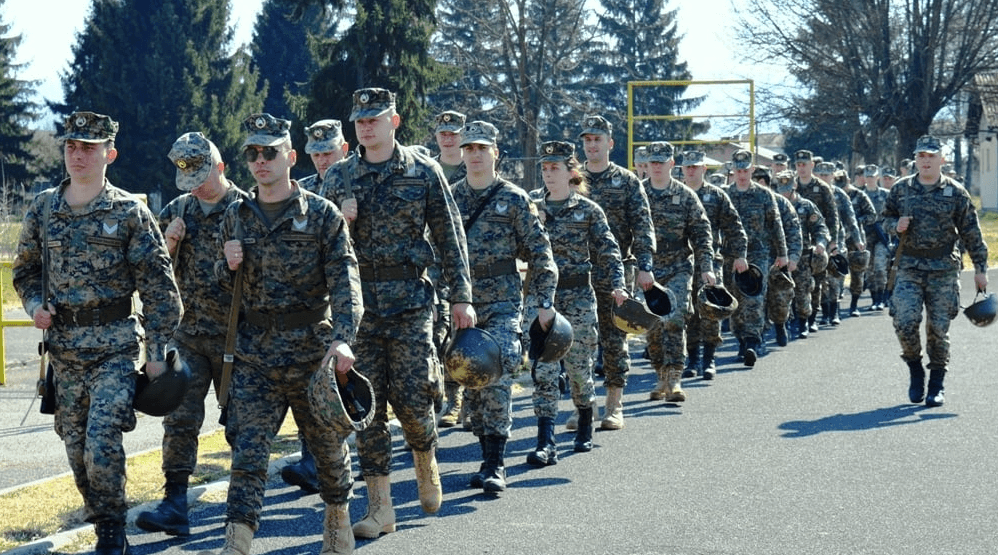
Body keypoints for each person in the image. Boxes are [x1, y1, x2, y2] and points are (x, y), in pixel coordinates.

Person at [13, 111, 183, 555]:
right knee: (76, 453)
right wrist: (35, 306)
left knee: (102, 443)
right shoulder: (43, 208)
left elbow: (161, 289)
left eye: (89, 147)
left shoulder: (130, 212)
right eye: (71, 145)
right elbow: (25, 272)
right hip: (65, 352)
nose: (78, 154)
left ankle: (111, 531)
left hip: (115, 349)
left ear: (110, 153)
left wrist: (159, 349)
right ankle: (102, 517)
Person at [319, 88, 475, 538]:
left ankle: (425, 459)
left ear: (395, 121)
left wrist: (462, 296)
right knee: (365, 409)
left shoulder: (422, 171)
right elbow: (323, 248)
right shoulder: (339, 178)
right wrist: (341, 220)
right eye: (360, 120)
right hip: (359, 310)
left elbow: (450, 237)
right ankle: (381, 507)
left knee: (412, 399)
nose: (367, 126)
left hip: (410, 302)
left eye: (375, 118)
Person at [135, 132, 249, 537]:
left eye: (203, 175)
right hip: (188, 337)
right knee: (180, 418)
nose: (197, 186)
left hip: (238, 337)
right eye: (188, 178)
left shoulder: (246, 209)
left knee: (242, 423)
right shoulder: (176, 210)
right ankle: (175, 503)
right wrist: (169, 242)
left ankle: (242, 508)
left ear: (221, 166)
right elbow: (149, 274)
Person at [450, 120, 557, 490]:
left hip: (502, 303)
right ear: (462, 154)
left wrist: (543, 303)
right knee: (471, 383)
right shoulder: (450, 198)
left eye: (482, 148)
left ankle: (496, 464)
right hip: (462, 304)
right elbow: (436, 251)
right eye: (469, 149)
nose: (475, 155)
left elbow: (541, 254)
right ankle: (485, 456)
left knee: (495, 371)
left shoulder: (513, 198)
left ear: (495, 152)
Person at [528, 140, 626, 455]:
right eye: (544, 168)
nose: (548, 174)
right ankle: (545, 442)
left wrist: (618, 284)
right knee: (543, 370)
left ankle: (585, 422)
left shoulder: (587, 210)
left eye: (555, 168)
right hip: (542, 297)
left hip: (578, 297)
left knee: (578, 367)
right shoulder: (530, 206)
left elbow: (608, 249)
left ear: (572, 172)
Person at [881, 135, 988, 407]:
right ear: (915, 159)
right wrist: (896, 226)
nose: (925, 161)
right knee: (904, 321)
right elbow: (884, 219)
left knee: (938, 329)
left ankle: (937, 383)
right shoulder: (901, 189)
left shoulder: (955, 192)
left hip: (943, 269)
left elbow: (970, 232)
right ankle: (916, 369)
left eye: (931, 156)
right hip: (909, 267)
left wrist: (980, 268)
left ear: (942, 159)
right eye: (921, 156)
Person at [283, 118, 351, 492]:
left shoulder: (358, 186)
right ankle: (314, 461)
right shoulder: (301, 193)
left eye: (328, 152)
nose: (323, 160)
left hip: (359, 299)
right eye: (316, 153)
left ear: (343, 148)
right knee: (314, 384)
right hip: (312, 307)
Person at [578, 115, 655, 429]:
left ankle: (614, 405)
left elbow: (642, 225)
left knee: (614, 338)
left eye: (598, 139)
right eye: (587, 140)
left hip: (616, 270)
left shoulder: (626, 180)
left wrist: (645, 265)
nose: (592, 145)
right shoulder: (572, 178)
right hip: (577, 272)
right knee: (580, 342)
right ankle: (583, 406)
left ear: (610, 143)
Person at [642, 142, 715, 401]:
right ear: (647, 165)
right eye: (653, 162)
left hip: (679, 267)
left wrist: (707, 267)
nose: (658, 166)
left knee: (674, 320)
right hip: (647, 268)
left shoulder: (685, 196)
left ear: (672, 164)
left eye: (662, 162)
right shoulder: (638, 194)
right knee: (652, 326)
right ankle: (660, 375)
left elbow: (702, 234)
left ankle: (674, 378)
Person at [681, 149, 747, 379]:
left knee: (711, 310)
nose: (691, 171)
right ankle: (692, 360)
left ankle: (709, 359)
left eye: (695, 167)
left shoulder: (717, 196)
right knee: (688, 312)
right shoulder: (675, 194)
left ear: (704, 169)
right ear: (682, 169)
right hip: (681, 263)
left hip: (711, 262)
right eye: (687, 167)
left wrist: (740, 254)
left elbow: (735, 227)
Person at [724, 149, 788, 366]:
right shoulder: (726, 194)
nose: (742, 174)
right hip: (731, 255)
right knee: (734, 301)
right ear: (733, 170)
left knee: (754, 298)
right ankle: (741, 339)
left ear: (751, 169)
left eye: (745, 170)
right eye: (738, 170)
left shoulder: (763, 194)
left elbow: (775, 225)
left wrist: (782, 253)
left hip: (758, 254)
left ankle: (753, 341)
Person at [431, 110, 468, 429]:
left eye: (454, 132)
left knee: (464, 332)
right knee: (440, 334)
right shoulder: (427, 170)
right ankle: (448, 396)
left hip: (467, 263)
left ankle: (465, 398)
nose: (448, 137)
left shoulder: (475, 166)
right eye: (443, 132)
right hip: (434, 264)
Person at [773, 170, 830, 340]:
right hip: (779, 256)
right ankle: (784, 324)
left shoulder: (806, 206)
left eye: (787, 188)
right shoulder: (773, 204)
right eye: (781, 188)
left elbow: (820, 227)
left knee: (803, 291)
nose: (784, 191)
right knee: (780, 293)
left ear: (795, 186)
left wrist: (821, 242)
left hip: (803, 256)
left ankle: (803, 321)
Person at [753, 166, 802, 348]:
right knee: (757, 301)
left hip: (779, 261)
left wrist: (793, 257)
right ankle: (758, 338)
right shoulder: (750, 201)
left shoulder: (781, 203)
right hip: (756, 259)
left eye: (762, 182)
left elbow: (794, 233)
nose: (759, 186)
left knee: (780, 301)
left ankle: (781, 325)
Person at [841, 165, 877, 316]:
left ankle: (854, 305)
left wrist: (857, 220)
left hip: (856, 240)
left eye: (842, 182)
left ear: (848, 180)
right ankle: (833, 310)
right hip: (839, 239)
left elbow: (872, 215)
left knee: (857, 273)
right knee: (837, 274)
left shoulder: (859, 195)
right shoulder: (833, 195)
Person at [864, 167, 893, 311]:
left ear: (877, 178)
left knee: (880, 267)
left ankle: (882, 298)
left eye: (873, 176)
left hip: (882, 236)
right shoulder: (860, 195)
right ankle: (874, 299)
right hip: (865, 237)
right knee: (869, 271)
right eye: (868, 176)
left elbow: (893, 213)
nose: (870, 179)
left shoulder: (886, 194)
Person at [298, 119, 350, 194]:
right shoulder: (302, 189)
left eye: (327, 154)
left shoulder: (363, 181)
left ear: (344, 149)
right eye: (316, 155)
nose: (321, 160)